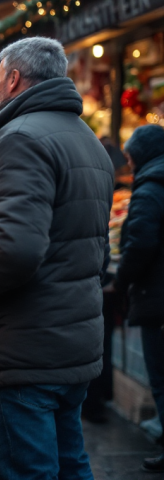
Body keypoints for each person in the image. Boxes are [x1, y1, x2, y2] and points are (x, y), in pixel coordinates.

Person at [0, 37, 114, 479]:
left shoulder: (21, 138)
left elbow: (13, 250)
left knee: (27, 471)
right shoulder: (85, 138)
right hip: (65, 342)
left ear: (14, 79)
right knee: (70, 464)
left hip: (19, 348)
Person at [114, 125, 164, 472]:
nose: (128, 165)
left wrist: (121, 281)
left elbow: (141, 241)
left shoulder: (150, 187)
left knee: (160, 378)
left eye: (130, 158)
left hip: (157, 296)